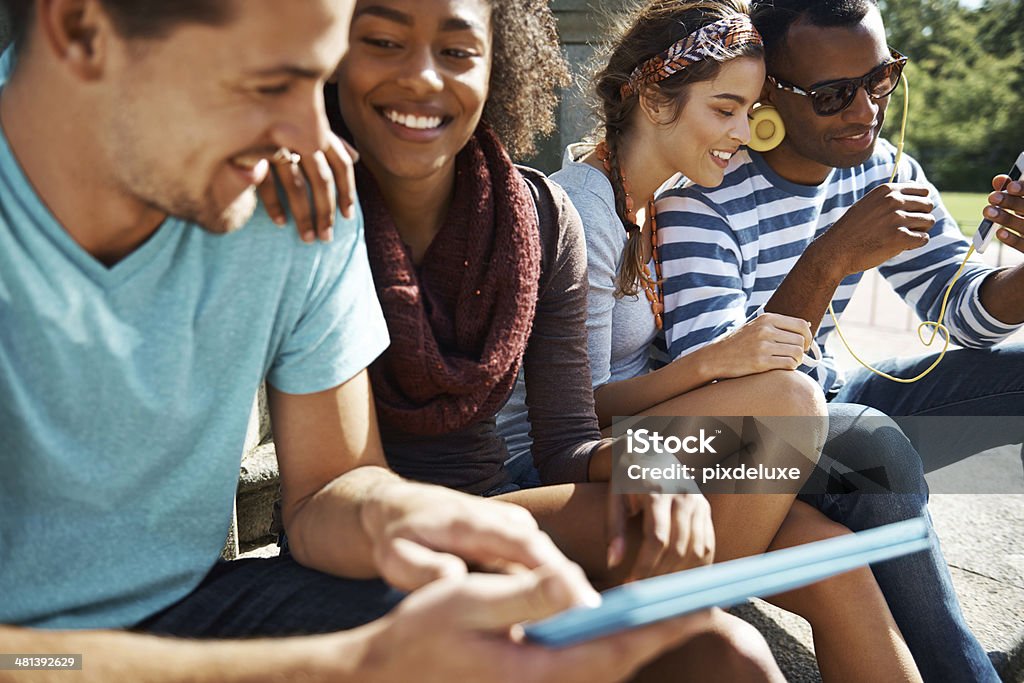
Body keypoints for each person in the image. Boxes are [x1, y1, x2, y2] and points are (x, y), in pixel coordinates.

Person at [0, 0, 726, 680]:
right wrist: (347, 658)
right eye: (269, 84)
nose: (316, 140)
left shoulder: (305, 190)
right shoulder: (313, 180)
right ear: (81, 30)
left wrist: (429, 518)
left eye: (314, 81)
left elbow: (330, 486)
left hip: (216, 599)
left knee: (721, 642)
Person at [322, 0, 790, 679]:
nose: (423, 76)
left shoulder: (549, 215)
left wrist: (653, 467)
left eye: (457, 52)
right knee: (790, 421)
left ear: (500, 68)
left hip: (512, 487)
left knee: (804, 524)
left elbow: (569, 441)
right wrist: (713, 368)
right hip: (386, 517)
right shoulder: (316, 211)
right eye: (725, 109)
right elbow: (329, 490)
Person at [499, 2, 921, 681]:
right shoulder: (585, 207)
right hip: (551, 467)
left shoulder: (656, 201)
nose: (743, 135)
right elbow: (577, 415)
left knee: (838, 562)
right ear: (655, 100)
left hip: (642, 440)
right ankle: (665, 635)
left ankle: (676, 620)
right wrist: (716, 361)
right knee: (790, 404)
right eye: (724, 110)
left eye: (751, 112)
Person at [656, 0, 1018, 679]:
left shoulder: (880, 166)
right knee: (870, 441)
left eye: (880, 79)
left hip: (832, 403)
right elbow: (722, 397)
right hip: (731, 446)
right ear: (766, 94)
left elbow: (959, 308)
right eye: (832, 94)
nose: (865, 111)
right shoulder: (698, 195)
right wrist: (828, 258)